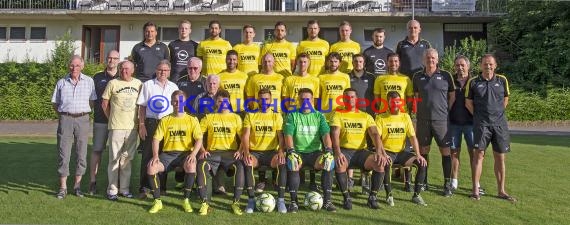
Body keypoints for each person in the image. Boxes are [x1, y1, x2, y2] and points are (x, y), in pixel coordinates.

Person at [465, 54, 516, 202]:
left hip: (500, 125)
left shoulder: (502, 80)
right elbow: (468, 103)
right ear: (480, 65)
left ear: (495, 66)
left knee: (500, 157)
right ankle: (475, 190)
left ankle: (501, 190)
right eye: (485, 64)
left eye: (491, 64)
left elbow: (506, 98)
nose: (488, 66)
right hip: (481, 125)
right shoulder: (473, 82)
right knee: (478, 155)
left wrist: (497, 113)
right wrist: (479, 116)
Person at [146, 91, 204, 214]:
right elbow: (156, 139)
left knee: (191, 165)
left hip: (184, 154)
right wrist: (156, 156)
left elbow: (199, 139)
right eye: (176, 101)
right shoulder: (165, 120)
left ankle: (186, 200)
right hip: (167, 155)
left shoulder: (192, 119)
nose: (178, 103)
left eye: (181, 101)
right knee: (151, 167)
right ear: (172, 102)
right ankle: (157, 201)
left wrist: (193, 154)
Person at [330, 88, 388, 210]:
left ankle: (372, 197)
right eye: (346, 97)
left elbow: (375, 134)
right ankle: (346, 197)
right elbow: (334, 133)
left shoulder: (366, 116)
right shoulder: (338, 114)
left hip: (361, 152)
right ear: (343, 100)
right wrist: (337, 153)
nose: (349, 99)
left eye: (352, 97)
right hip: (344, 151)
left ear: (356, 99)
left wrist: (378, 151)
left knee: (379, 163)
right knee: (340, 164)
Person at [283, 88, 336, 212]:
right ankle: (293, 202)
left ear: (312, 100)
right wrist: (291, 150)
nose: (305, 101)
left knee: (328, 162)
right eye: (302, 99)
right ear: (298, 100)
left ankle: (327, 201)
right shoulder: (292, 115)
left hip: (315, 154)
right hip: (297, 152)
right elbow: (288, 135)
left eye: (308, 99)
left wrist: (328, 149)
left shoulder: (319, 116)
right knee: (292, 162)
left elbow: (326, 135)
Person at [51, 55, 96, 199]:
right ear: (68, 66)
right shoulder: (61, 82)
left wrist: (82, 112)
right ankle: (63, 187)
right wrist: (64, 114)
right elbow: (55, 103)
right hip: (66, 118)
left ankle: (77, 186)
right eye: (72, 65)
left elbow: (92, 101)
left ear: (82, 66)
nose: (74, 68)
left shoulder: (89, 81)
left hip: (83, 119)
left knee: (81, 153)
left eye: (77, 65)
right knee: (64, 153)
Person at [412, 48, 455, 196]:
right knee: (424, 151)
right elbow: (416, 97)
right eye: (428, 58)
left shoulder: (445, 75)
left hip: (441, 120)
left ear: (437, 60)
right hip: (423, 120)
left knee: (445, 151)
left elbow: (452, 96)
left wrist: (444, 111)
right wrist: (418, 114)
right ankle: (424, 182)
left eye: (433, 58)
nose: (430, 60)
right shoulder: (417, 76)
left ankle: (447, 184)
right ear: (424, 60)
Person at [196, 90, 245, 215]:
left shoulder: (236, 118)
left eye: (225, 101)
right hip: (212, 153)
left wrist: (240, 150)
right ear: (215, 103)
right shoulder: (209, 117)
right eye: (219, 101)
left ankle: (236, 202)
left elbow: (244, 137)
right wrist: (202, 150)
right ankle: (204, 203)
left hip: (230, 154)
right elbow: (198, 136)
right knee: (201, 165)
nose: (223, 103)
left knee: (240, 166)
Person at [376, 91, 428, 206]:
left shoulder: (405, 116)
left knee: (422, 163)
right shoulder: (381, 117)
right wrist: (383, 154)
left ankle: (417, 195)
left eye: (398, 101)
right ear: (388, 102)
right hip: (388, 152)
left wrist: (418, 155)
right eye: (393, 102)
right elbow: (377, 139)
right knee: (385, 164)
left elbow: (413, 137)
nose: (395, 104)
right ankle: (389, 195)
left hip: (402, 153)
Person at [136, 60, 179, 199]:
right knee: (148, 155)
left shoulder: (174, 86)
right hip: (151, 123)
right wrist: (141, 124)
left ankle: (161, 187)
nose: (163, 72)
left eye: (166, 70)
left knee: (163, 155)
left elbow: (178, 106)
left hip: (168, 123)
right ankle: (144, 187)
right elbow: (142, 106)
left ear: (169, 72)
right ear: (156, 70)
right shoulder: (148, 85)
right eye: (160, 70)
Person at [101, 61, 143, 200]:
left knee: (127, 159)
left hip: (132, 128)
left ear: (132, 70)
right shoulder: (113, 83)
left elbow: (142, 105)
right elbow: (104, 104)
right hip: (116, 127)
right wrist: (111, 118)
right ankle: (112, 190)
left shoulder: (138, 84)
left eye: (127, 68)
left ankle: (124, 189)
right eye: (122, 68)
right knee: (114, 158)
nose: (124, 71)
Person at [241, 89, 287, 213]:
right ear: (257, 100)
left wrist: (281, 151)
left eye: (266, 99)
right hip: (255, 152)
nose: (264, 101)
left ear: (271, 100)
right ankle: (251, 200)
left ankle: (281, 200)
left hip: (271, 152)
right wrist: (246, 152)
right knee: (248, 162)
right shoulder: (250, 115)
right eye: (261, 99)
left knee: (282, 162)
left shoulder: (276, 115)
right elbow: (245, 136)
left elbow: (281, 137)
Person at [89, 50, 119, 195]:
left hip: (119, 123)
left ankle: (114, 183)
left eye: (115, 58)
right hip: (101, 120)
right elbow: (92, 99)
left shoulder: (124, 76)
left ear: (118, 60)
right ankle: (92, 181)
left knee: (117, 153)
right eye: (109, 58)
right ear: (106, 59)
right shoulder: (97, 77)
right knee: (97, 150)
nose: (112, 60)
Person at [449, 55, 480, 194]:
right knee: (454, 152)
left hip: (471, 124)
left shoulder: (474, 81)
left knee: (474, 153)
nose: (460, 68)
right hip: (454, 123)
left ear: (468, 66)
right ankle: (454, 181)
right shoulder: (451, 81)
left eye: (462, 65)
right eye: (457, 65)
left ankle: (476, 183)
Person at [346, 54, 376, 193]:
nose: (358, 63)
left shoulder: (371, 77)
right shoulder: (347, 76)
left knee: (367, 149)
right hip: (352, 115)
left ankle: (365, 179)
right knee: (351, 146)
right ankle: (349, 179)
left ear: (364, 63)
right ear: (352, 63)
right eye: (356, 61)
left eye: (360, 61)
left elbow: (376, 96)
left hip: (368, 116)